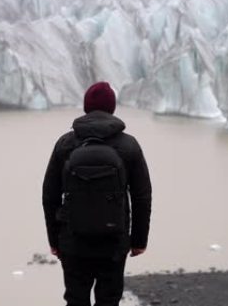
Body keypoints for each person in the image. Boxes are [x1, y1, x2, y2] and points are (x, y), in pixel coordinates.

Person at [42, 81, 152, 306]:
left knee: (76, 300)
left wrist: (55, 240)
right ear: (112, 108)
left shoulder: (65, 144)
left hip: (72, 241)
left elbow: (49, 194)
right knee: (109, 301)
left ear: (86, 108)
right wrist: (138, 241)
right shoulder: (129, 146)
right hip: (114, 242)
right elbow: (142, 195)